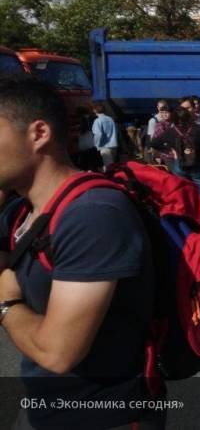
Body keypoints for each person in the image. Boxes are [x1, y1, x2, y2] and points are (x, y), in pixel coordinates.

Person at [0, 75, 156, 428]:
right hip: (47, 407)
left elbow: (58, 353)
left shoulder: (93, 214)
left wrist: (7, 303)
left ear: (39, 134)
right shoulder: (20, 209)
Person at [149, 106, 200, 212]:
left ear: (173, 118)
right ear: (189, 117)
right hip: (198, 163)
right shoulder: (199, 129)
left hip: (180, 165)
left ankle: (195, 218)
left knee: (187, 193)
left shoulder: (170, 132)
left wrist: (169, 150)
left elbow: (153, 143)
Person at [91, 101, 118, 170]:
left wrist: (96, 144)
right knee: (112, 165)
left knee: (109, 167)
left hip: (104, 146)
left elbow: (98, 134)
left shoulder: (97, 121)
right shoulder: (110, 119)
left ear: (95, 110)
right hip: (113, 145)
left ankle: (112, 180)